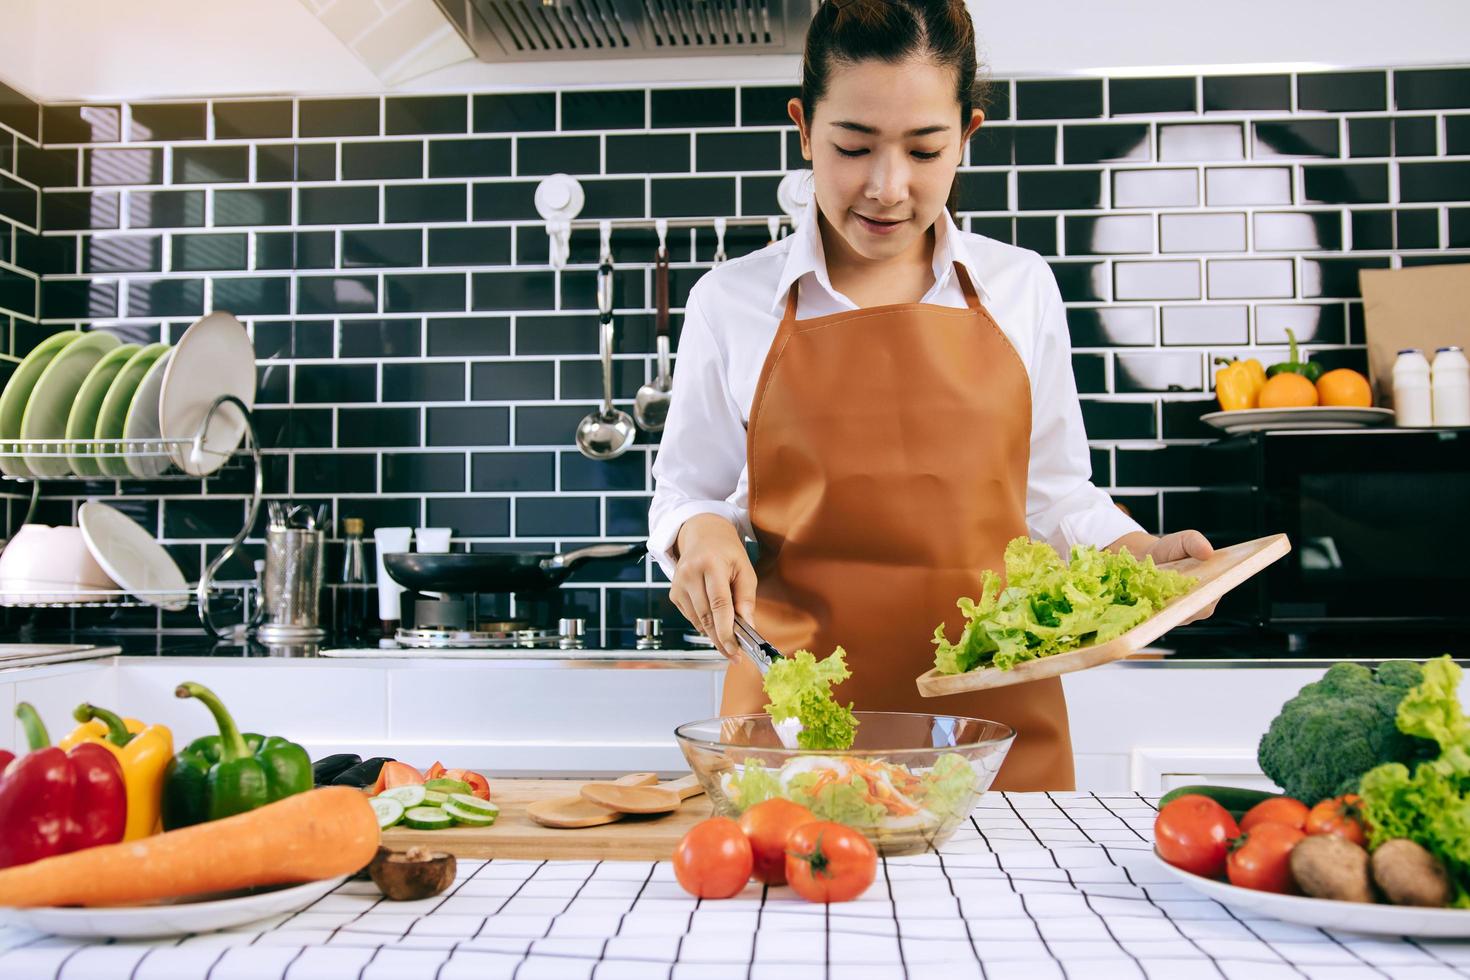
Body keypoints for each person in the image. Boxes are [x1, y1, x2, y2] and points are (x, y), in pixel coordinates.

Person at [646, 0, 1215, 790]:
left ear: (968, 137)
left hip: (995, 737)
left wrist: (1142, 563)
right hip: (792, 736)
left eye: (924, 150)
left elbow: (1053, 494)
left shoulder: (1021, 289)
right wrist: (701, 533)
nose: (887, 187)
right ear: (804, 131)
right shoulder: (729, 301)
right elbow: (686, 489)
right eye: (852, 147)